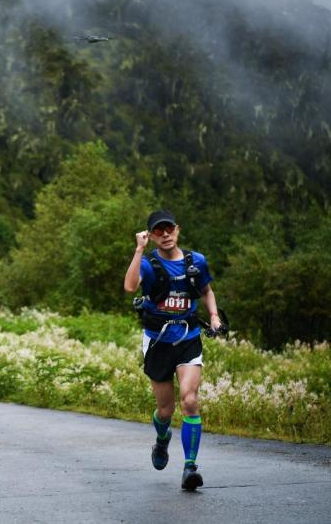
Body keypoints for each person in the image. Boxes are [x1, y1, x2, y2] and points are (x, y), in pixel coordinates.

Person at [123, 209, 222, 492]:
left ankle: (190, 467)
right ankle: (162, 439)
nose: (165, 235)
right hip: (158, 341)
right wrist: (138, 250)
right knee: (165, 410)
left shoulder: (196, 261)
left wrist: (213, 316)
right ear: (151, 235)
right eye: (158, 231)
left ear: (177, 230)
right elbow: (130, 287)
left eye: (169, 229)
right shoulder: (148, 262)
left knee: (189, 400)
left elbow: (206, 291)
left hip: (188, 338)